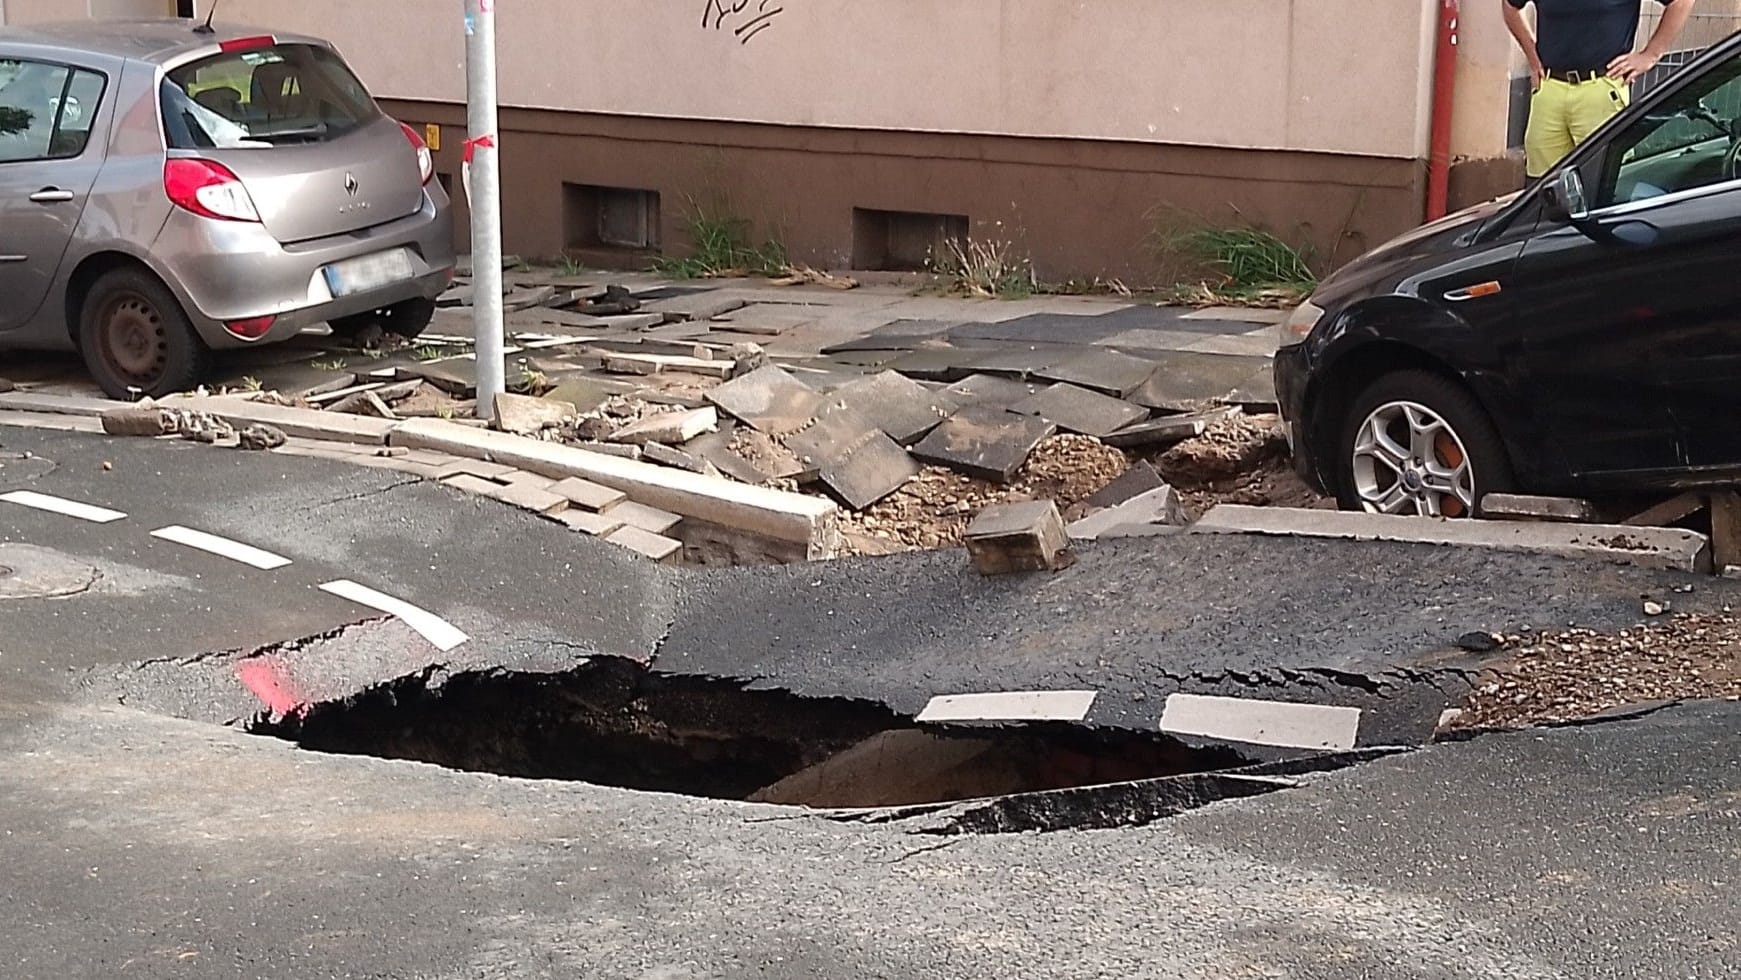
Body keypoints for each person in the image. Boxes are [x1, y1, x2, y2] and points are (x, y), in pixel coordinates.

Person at [1504, 0, 1697, 180]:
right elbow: (1510, 6)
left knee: (1605, 183)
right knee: (1542, 188)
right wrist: (1531, 54)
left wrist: (1651, 54)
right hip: (1550, 88)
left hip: (1602, 89)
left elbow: (1681, 2)